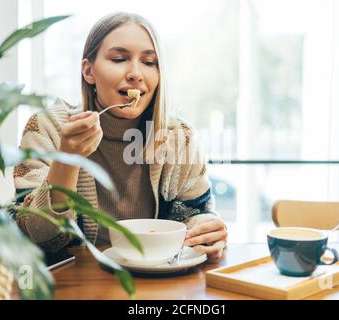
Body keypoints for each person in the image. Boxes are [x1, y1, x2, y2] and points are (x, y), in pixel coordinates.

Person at [14, 12, 227, 260]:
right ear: (88, 71)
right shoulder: (46, 128)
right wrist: (67, 159)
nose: (136, 73)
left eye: (149, 62)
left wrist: (209, 229)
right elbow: (34, 234)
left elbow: (195, 215)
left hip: (158, 284)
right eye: (119, 59)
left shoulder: (180, 137)